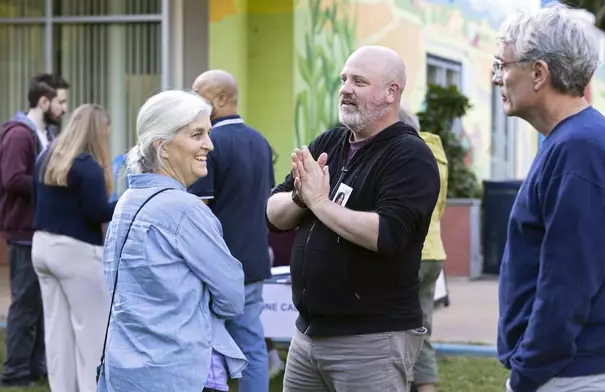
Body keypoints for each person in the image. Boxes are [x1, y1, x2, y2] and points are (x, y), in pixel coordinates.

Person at [266, 45, 440, 392]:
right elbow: (273, 212)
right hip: (307, 335)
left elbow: (387, 234)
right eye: (344, 79)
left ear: (391, 93)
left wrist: (319, 201)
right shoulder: (330, 142)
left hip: (370, 340)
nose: (345, 88)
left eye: (359, 81)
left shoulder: (409, 155)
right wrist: (302, 197)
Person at [495, 4, 605, 392]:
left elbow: (568, 284)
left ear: (539, 73)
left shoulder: (580, 149)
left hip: (571, 375)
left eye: (502, 65)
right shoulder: (577, 140)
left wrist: (526, 373)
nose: (497, 78)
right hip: (568, 369)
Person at [97, 90, 247, 392]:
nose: (209, 144)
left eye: (207, 132)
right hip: (181, 372)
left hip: (125, 371)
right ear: (162, 148)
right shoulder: (186, 209)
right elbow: (233, 298)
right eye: (197, 134)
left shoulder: (127, 201)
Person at [190, 70, 273, 392]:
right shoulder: (260, 141)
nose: (193, 101)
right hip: (253, 261)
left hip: (218, 266)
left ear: (222, 99)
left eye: (199, 94)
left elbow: (200, 210)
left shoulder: (209, 144)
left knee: (206, 347)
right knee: (251, 345)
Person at [31, 104, 116, 392]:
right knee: (92, 334)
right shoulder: (87, 166)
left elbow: (35, 200)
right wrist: (130, 201)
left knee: (58, 334)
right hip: (77, 253)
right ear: (97, 131)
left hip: (42, 247)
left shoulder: (46, 158)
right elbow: (97, 212)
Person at [0, 73, 69, 387]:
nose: (65, 108)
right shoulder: (18, 135)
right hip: (23, 233)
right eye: (61, 101)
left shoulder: (50, 134)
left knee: (43, 307)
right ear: (44, 101)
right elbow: (12, 179)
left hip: (42, 231)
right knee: (25, 307)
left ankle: (37, 367)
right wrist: (52, 187)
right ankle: (15, 372)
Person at [399, 107, 448, 392]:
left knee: (397, 335)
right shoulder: (435, 153)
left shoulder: (407, 156)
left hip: (410, 252)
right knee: (421, 331)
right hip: (434, 251)